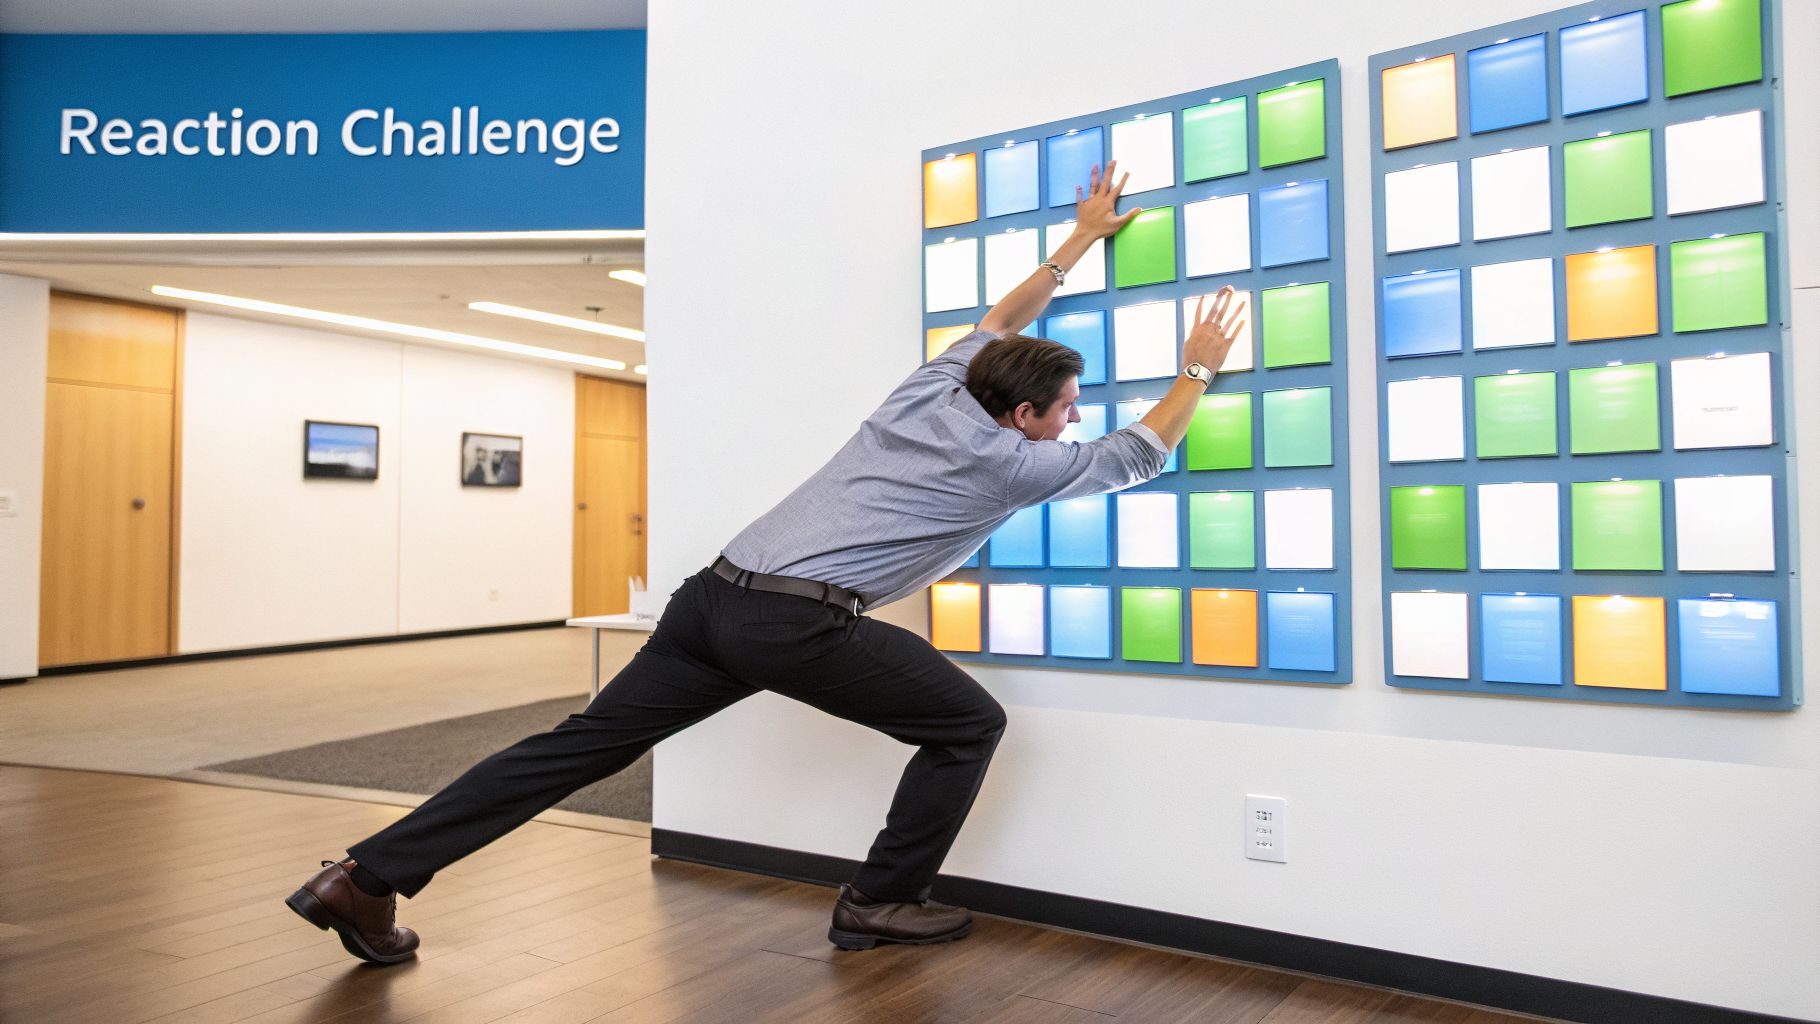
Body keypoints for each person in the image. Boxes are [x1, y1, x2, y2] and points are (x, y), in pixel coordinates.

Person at [285, 160, 1248, 963]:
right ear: (1024, 416)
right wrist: (1197, 367)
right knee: (969, 724)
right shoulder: (1009, 464)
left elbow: (1004, 315)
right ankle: (879, 900)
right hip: (794, 619)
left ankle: (362, 878)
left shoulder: (936, 385)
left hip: (712, 598)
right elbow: (1135, 453)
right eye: (1066, 406)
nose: (1075, 417)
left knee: (575, 747)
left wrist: (1078, 238)